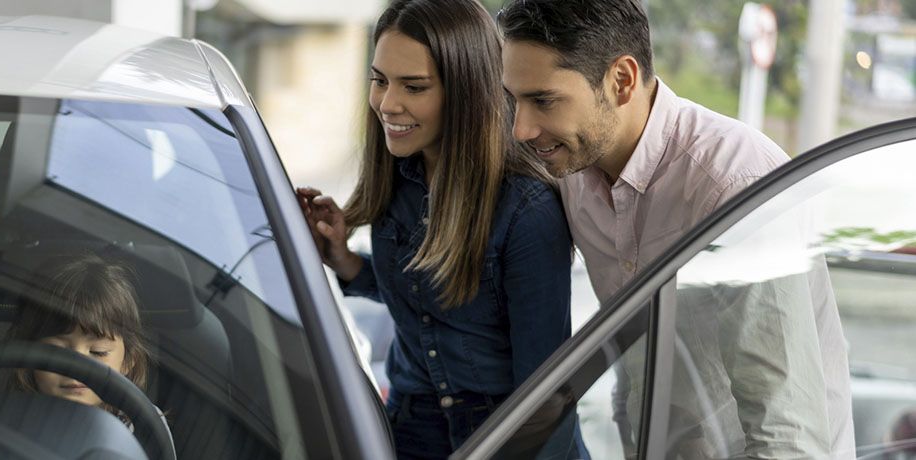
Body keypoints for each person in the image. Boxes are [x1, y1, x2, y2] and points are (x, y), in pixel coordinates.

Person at [496, 0, 854, 457]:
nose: (521, 129)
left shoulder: (733, 184)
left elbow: (789, 435)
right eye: (515, 99)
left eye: (543, 100)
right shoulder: (570, 168)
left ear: (621, 80)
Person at [296, 0, 576, 457]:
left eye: (414, 86)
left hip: (501, 436)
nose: (388, 103)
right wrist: (343, 260)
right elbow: (426, 299)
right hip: (409, 423)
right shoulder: (398, 178)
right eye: (380, 80)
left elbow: (545, 396)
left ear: (465, 92)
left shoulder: (526, 210)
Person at [8, 251, 169, 437]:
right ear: (28, 357)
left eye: (98, 352)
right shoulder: (10, 421)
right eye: (56, 351)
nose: (77, 369)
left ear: (128, 362)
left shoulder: (144, 424)